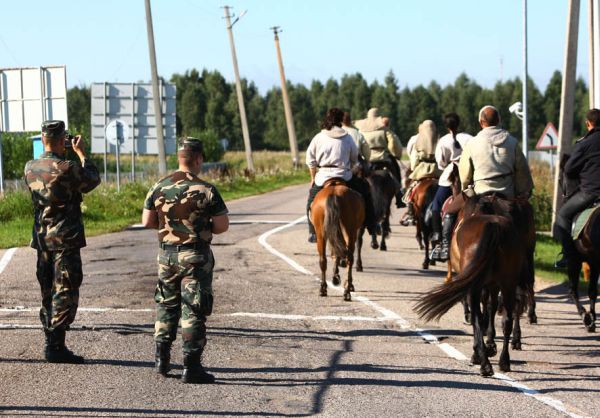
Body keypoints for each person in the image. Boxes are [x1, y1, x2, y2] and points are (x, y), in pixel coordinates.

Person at [142, 137, 229, 384]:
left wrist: (169, 228)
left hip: (167, 255)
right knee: (193, 308)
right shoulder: (207, 189)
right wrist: (201, 226)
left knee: (166, 304)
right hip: (195, 256)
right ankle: (191, 367)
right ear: (199, 159)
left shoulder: (158, 186)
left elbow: (146, 221)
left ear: (179, 158)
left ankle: (161, 359)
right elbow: (222, 226)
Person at [24, 120, 101, 363]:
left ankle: (51, 339)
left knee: (47, 290)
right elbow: (92, 179)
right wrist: (81, 154)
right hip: (65, 238)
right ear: (60, 141)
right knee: (66, 289)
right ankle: (55, 346)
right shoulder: (66, 168)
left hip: (42, 238)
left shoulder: (30, 167)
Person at [306, 107, 377, 244]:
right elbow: (355, 158)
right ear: (341, 121)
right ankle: (371, 224)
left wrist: (313, 177)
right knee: (366, 191)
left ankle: (312, 232)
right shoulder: (348, 137)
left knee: (311, 200)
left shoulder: (318, 137)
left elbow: (311, 160)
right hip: (345, 175)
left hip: (323, 176)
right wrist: (348, 167)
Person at [553, 108, 600, 268]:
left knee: (563, 215)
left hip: (590, 192)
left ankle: (569, 255)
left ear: (588, 123)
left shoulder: (584, 144)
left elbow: (569, 169)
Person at [459, 106, 533, 199]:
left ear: (481, 122)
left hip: (480, 193)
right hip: (508, 194)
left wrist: (465, 188)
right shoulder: (512, 142)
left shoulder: (471, 143)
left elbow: (465, 175)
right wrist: (524, 191)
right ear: (498, 120)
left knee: (450, 211)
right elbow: (522, 170)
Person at [430, 113, 473, 261]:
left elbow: (441, 163)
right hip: (469, 176)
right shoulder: (469, 138)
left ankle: (437, 235)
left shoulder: (443, 140)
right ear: (459, 123)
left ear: (446, 126)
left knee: (436, 205)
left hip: (450, 175)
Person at [355, 108, 404, 206]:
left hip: (367, 160)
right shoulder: (385, 129)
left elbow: (358, 145)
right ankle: (399, 195)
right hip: (383, 158)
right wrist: (396, 155)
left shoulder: (360, 131)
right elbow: (393, 144)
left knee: (357, 178)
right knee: (396, 172)